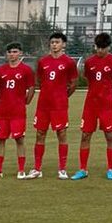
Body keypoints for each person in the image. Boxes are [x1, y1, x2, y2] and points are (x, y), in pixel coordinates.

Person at [74, 32, 112, 181]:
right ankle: (83, 169)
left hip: (106, 106)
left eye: (103, 48)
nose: (100, 51)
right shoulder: (89, 62)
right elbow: (89, 79)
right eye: (98, 47)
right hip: (90, 105)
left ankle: (110, 169)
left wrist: (111, 95)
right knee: (85, 135)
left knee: (109, 136)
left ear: (108, 47)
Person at [31, 32, 78, 180]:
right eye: (52, 42)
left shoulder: (69, 62)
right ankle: (37, 168)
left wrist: (62, 96)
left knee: (61, 134)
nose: (54, 45)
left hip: (59, 106)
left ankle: (62, 169)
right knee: (40, 134)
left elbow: (73, 84)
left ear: (63, 44)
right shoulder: (43, 62)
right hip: (43, 105)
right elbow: (39, 80)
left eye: (57, 42)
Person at [0, 42, 35, 179]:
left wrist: (26, 101)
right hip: (2, 112)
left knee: (19, 139)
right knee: (0, 140)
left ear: (20, 53)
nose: (12, 54)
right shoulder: (1, 70)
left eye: (14, 52)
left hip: (18, 112)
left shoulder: (26, 70)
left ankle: (21, 170)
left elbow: (31, 88)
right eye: (9, 52)